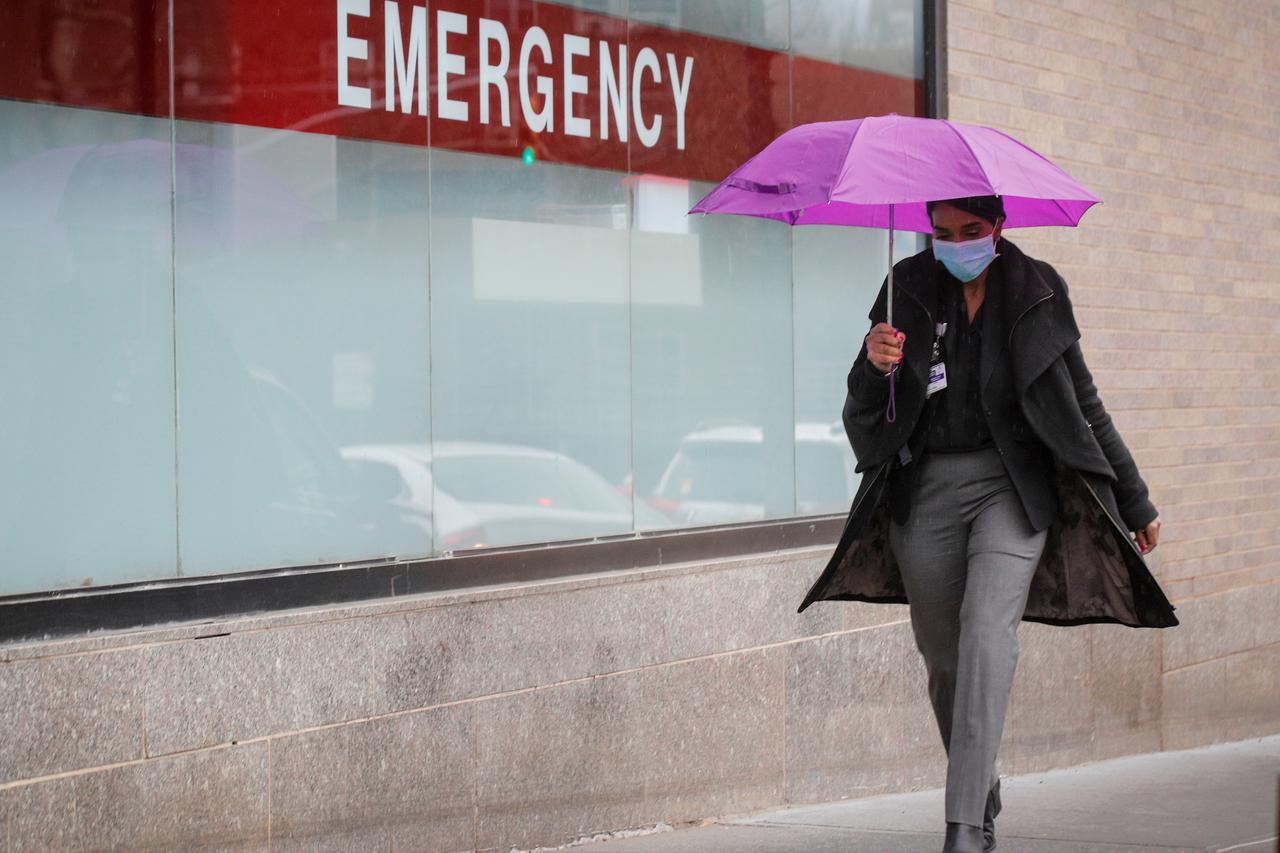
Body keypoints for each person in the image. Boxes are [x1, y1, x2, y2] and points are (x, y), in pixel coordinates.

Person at [795, 195, 1178, 853]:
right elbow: (862, 413)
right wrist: (871, 363)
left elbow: (1085, 406)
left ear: (998, 228)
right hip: (927, 487)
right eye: (941, 232)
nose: (956, 243)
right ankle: (981, 782)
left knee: (986, 636)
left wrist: (1135, 500)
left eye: (971, 231)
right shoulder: (906, 289)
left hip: (1013, 487)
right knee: (943, 657)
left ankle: (965, 828)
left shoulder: (1037, 290)